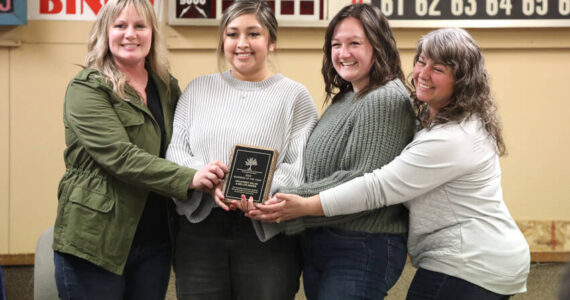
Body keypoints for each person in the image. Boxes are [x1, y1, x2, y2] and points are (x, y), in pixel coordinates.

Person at [252, 28, 531, 299]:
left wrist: (303, 206)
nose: (423, 74)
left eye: (439, 69)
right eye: (421, 61)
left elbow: (378, 186)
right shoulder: (434, 120)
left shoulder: (453, 137)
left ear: (463, 80)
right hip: (471, 258)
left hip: (471, 261)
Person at [236, 3, 415, 299]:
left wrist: (279, 198)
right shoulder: (346, 98)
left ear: (378, 45)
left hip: (361, 245)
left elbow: (361, 180)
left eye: (354, 43)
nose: (343, 53)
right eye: (336, 44)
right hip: (323, 241)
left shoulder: (386, 99)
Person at [52, 0, 226, 299]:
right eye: (120, 26)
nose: (130, 34)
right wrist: (191, 177)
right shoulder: (87, 88)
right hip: (95, 241)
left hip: (155, 239)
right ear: (105, 33)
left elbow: (186, 141)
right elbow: (120, 156)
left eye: (140, 26)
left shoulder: (166, 87)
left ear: (152, 34)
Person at [164, 1, 318, 299]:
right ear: (223, 41)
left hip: (265, 232)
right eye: (232, 34)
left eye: (253, 34)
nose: (242, 43)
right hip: (201, 229)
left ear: (271, 42)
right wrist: (204, 178)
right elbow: (177, 151)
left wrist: (260, 193)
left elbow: (298, 166)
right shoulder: (197, 89)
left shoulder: (294, 97)